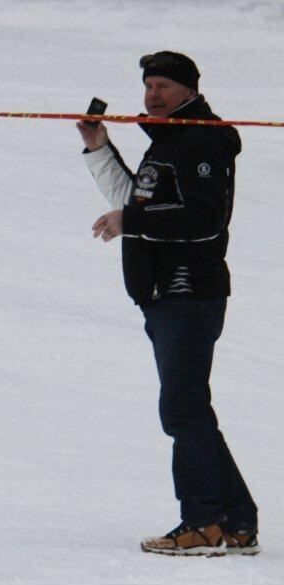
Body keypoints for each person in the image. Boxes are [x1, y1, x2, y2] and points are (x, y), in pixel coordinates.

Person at [77, 51, 258, 556]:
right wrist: (98, 148)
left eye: (163, 86)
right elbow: (140, 201)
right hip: (164, 295)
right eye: (148, 85)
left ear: (189, 89)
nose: (152, 95)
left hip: (188, 291)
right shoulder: (170, 144)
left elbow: (205, 220)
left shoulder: (203, 142)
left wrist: (131, 223)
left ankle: (202, 523)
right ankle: (237, 522)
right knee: (191, 409)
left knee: (182, 411)